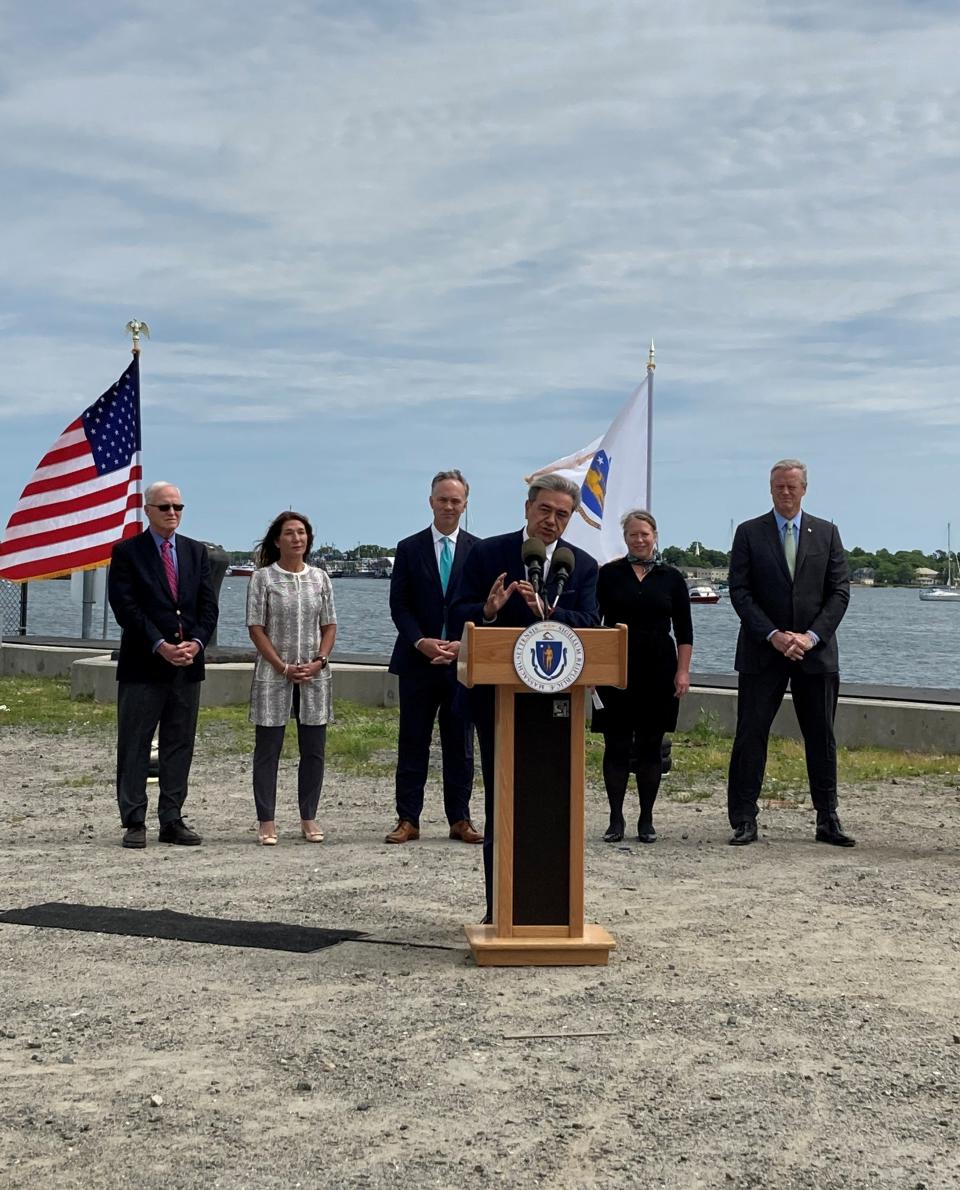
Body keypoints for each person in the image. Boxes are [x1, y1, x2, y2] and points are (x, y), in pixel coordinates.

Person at [448, 474, 600, 921]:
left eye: (562, 514)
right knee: (503, 802)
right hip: (497, 702)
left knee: (553, 803)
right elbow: (457, 611)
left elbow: (591, 621)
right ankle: (500, 908)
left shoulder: (583, 565)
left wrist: (551, 614)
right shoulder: (488, 553)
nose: (552, 521)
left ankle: (550, 910)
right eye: (545, 511)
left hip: (558, 706)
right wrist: (488, 611)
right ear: (527, 508)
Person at [726, 459, 854, 847]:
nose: (785, 492)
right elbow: (740, 591)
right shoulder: (749, 533)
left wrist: (811, 636)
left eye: (792, 487)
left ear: (804, 489)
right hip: (763, 651)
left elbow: (840, 592)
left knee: (821, 736)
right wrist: (773, 635)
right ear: (770, 489)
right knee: (751, 735)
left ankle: (827, 817)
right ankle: (744, 818)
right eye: (779, 486)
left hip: (814, 654)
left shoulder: (827, 533)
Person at [109, 481, 219, 849]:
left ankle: (171, 819)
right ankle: (134, 820)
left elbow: (208, 606)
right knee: (135, 743)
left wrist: (196, 643)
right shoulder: (128, 553)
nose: (172, 513)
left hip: (187, 665)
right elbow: (127, 608)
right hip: (144, 664)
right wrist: (160, 644)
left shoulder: (195, 553)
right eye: (165, 507)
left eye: (178, 507)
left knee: (179, 743)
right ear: (148, 510)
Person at [386, 470, 481, 845]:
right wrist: (420, 641)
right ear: (431, 502)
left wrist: (461, 644)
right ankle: (408, 819)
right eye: (442, 499)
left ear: (465, 505)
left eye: (455, 500)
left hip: (460, 663)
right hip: (417, 662)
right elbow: (400, 605)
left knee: (460, 744)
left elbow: (481, 606)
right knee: (413, 742)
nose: (448, 506)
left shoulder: (479, 550)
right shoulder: (409, 548)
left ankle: (460, 819)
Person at [594, 510, 692, 844]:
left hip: (659, 670)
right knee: (616, 745)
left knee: (651, 747)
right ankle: (615, 818)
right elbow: (594, 623)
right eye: (633, 534)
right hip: (616, 671)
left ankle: (646, 819)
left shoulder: (672, 578)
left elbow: (684, 631)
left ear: (655, 536)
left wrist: (683, 671)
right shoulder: (608, 575)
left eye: (645, 534)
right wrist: (592, 669)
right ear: (626, 538)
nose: (639, 540)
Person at [246, 511, 337, 845]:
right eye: (290, 533)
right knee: (267, 749)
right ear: (277, 540)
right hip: (274, 673)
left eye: (302, 533)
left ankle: (308, 817)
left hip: (314, 676)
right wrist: (281, 665)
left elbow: (329, 625)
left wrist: (319, 660)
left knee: (313, 749)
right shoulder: (263, 579)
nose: (297, 538)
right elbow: (256, 627)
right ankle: (266, 821)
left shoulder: (320, 579)